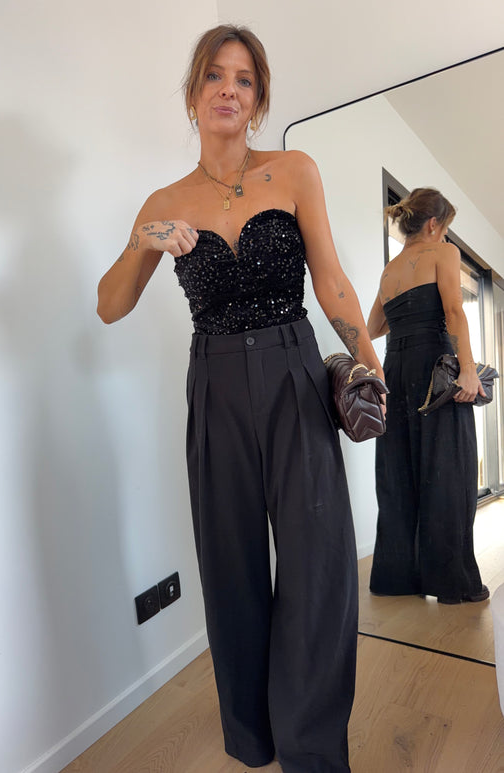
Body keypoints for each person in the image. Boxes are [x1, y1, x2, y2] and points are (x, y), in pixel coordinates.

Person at [98, 25, 384, 773]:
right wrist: (144, 240)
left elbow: (331, 282)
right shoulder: (166, 201)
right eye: (216, 76)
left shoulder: (294, 170)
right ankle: (253, 736)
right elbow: (109, 306)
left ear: (258, 100)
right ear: (194, 93)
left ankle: (311, 746)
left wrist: (369, 362)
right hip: (215, 382)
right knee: (230, 564)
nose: (229, 88)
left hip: (294, 371)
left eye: (245, 79)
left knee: (318, 558)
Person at [367, 187, 489, 605]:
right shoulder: (444, 252)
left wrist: (408, 316)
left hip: (396, 370)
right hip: (434, 369)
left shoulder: (389, 271)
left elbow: (373, 327)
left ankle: (398, 578)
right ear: (434, 224)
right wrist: (468, 369)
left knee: (398, 472)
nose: (446, 235)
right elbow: (454, 311)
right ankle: (453, 582)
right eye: (446, 227)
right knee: (449, 471)